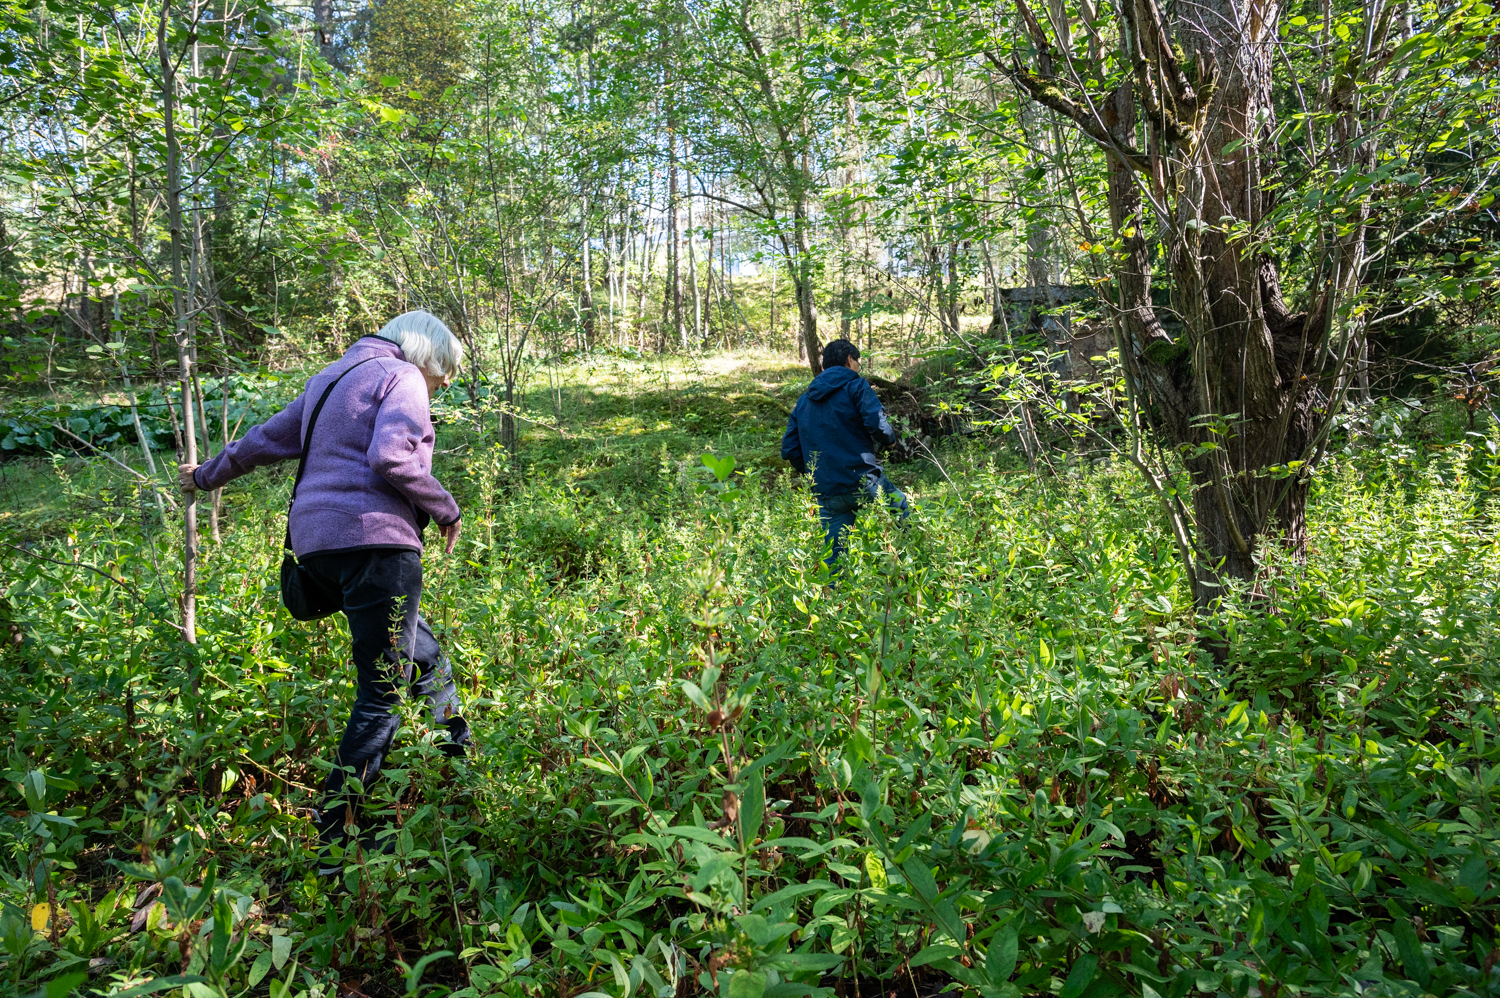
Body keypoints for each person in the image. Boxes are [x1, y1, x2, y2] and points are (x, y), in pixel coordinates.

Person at [178, 310, 470, 877]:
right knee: (382, 692)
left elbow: (263, 441)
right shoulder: (401, 376)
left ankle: (461, 761)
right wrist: (444, 508)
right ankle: (337, 841)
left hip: (319, 548)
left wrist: (204, 475)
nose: (438, 387)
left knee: (423, 656)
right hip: (376, 543)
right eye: (443, 378)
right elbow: (392, 457)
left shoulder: (328, 380)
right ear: (428, 355)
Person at [781, 338, 910, 567]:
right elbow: (877, 424)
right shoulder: (857, 387)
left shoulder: (803, 402)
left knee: (834, 557)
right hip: (863, 481)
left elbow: (790, 449)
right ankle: (911, 566)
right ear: (850, 360)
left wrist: (814, 473)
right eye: (858, 361)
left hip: (827, 491)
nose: (858, 366)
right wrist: (891, 443)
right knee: (900, 509)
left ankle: (834, 598)